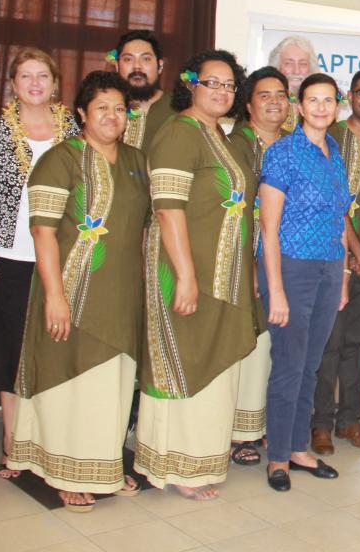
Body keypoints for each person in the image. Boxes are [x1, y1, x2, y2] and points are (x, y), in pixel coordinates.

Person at [7, 71, 148, 512]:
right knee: (70, 382)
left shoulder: (136, 161)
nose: (111, 115)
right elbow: (43, 233)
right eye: (101, 107)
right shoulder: (60, 159)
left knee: (113, 385)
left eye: (120, 108)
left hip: (122, 293)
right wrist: (54, 296)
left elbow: (144, 230)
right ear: (82, 113)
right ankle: (64, 471)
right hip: (71, 290)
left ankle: (102, 464)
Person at [135, 50, 258, 500]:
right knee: (182, 359)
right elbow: (168, 210)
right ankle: (172, 465)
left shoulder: (219, 136)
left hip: (222, 275)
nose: (223, 92)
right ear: (191, 84)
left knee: (211, 362)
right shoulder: (177, 134)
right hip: (184, 269)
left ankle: (200, 459)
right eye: (214, 83)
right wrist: (186, 276)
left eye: (230, 85)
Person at [0, 48, 79, 478]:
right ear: (13, 84)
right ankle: (14, 441)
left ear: (55, 83)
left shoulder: (74, 129)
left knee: (55, 349)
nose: (34, 83)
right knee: (11, 353)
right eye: (25, 76)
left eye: (42, 76)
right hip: (11, 257)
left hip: (65, 256)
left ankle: (53, 438)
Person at [258, 73, 353, 492]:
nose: (320, 107)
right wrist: (275, 287)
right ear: (299, 106)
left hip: (330, 268)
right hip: (292, 269)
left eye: (328, 100)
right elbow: (268, 227)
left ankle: (299, 448)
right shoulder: (282, 153)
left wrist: (345, 276)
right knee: (288, 366)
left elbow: (340, 221)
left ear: (337, 106)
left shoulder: (335, 152)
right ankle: (278, 456)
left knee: (311, 366)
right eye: (312, 100)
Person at [312, 68, 360, 455]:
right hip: (332, 257)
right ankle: (321, 423)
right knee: (330, 341)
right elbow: (332, 201)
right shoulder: (332, 138)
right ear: (350, 97)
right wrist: (357, 251)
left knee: (358, 344)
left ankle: (348, 421)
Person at [227, 66, 293, 466]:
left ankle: (271, 424)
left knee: (281, 345)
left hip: (292, 259)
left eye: (281, 94)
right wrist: (250, 264)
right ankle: (242, 432)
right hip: (246, 255)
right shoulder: (234, 144)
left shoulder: (294, 143)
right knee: (253, 343)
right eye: (265, 94)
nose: (274, 101)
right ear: (249, 103)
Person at [112, 30, 173, 152]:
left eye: (146, 59)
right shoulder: (106, 109)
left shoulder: (180, 108)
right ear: (117, 66)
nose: (137, 66)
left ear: (160, 66)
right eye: (128, 59)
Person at [267, 35, 319, 132]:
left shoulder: (320, 107)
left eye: (303, 64)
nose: (296, 71)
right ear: (276, 67)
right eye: (288, 63)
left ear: (311, 69)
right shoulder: (264, 104)